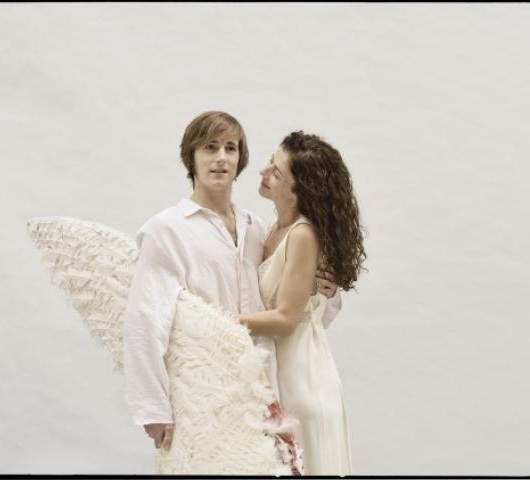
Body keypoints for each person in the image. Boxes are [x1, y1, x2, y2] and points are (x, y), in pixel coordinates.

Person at [121, 112, 341, 455]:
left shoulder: (257, 230)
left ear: (240, 159)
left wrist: (326, 292)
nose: (221, 157)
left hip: (265, 393)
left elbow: (291, 313)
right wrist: (153, 408)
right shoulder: (165, 231)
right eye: (210, 147)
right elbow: (144, 320)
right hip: (205, 392)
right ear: (191, 157)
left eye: (230, 148)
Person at [238, 131, 366, 475]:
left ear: (300, 191)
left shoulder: (302, 235)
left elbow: (286, 319)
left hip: (301, 380)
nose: (263, 171)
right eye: (270, 161)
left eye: (276, 172)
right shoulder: (271, 229)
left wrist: (218, 320)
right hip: (279, 372)